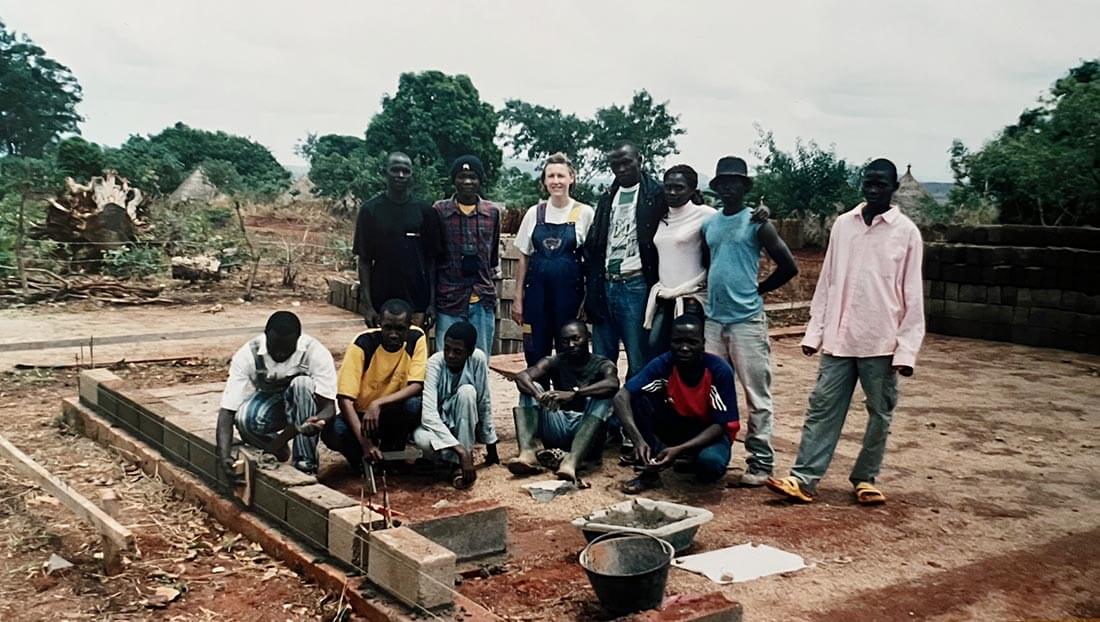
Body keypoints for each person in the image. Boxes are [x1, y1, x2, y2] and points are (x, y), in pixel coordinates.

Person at [766, 158, 925, 506]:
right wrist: (814, 333)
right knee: (822, 408)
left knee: (879, 413)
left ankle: (865, 478)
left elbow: (912, 294)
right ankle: (804, 479)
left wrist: (906, 350)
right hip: (839, 340)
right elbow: (828, 281)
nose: (874, 189)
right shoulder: (843, 225)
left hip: (880, 340)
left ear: (894, 188)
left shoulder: (906, 233)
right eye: (869, 182)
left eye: (881, 184)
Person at [703, 156, 799, 487]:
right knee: (714, 392)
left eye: (735, 183)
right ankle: (713, 455)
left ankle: (760, 462)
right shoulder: (711, 224)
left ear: (744, 187)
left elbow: (788, 266)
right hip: (714, 320)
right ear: (717, 188)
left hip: (746, 320)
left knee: (756, 394)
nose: (728, 188)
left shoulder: (758, 223)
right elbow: (712, 262)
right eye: (723, 183)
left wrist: (759, 290)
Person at [614, 314, 739, 493]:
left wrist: (679, 450)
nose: (684, 348)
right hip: (678, 425)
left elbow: (721, 425)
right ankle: (649, 473)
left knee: (710, 465)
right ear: (670, 342)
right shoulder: (664, 363)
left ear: (703, 344)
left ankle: (689, 457)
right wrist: (638, 440)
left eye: (692, 342)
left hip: (709, 432)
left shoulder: (718, 370)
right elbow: (621, 397)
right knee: (639, 399)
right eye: (678, 342)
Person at [216, 311, 338, 478]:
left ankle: (305, 461)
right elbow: (227, 410)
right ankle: (277, 449)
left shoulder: (315, 353)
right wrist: (224, 456)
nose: (280, 353)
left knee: (302, 384)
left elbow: (329, 407)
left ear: (298, 339)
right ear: (265, 336)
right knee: (244, 419)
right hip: (272, 405)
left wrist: (318, 420)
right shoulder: (248, 354)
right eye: (275, 347)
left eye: (286, 348)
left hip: (304, 407)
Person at [583, 142, 663, 381]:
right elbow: (594, 243)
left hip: (635, 285)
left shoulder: (656, 195)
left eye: (626, 162)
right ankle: (602, 404)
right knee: (601, 360)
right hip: (605, 284)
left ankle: (635, 405)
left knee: (638, 357)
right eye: (615, 164)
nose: (621, 169)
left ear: (640, 159)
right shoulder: (608, 197)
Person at [508, 321, 620, 482]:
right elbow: (521, 377)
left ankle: (572, 461)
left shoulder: (603, 364)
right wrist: (538, 395)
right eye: (565, 341)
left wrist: (575, 394)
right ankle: (528, 451)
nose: (571, 345)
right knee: (531, 388)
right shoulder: (555, 360)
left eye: (576, 339)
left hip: (587, 426)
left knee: (604, 398)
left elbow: (613, 384)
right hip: (559, 423)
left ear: (588, 338)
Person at [322, 299, 427, 470]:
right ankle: (362, 458)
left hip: (391, 411)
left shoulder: (417, 338)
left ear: (410, 326)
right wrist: (366, 444)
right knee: (333, 431)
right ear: (379, 323)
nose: (393, 334)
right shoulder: (363, 343)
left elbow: (416, 385)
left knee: (415, 404)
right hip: (362, 416)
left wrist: (377, 404)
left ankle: (392, 452)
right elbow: (344, 399)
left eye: (400, 329)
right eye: (388, 328)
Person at [511, 153, 595, 366]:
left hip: (570, 298)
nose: (556, 181)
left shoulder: (584, 213)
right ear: (544, 181)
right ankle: (535, 388)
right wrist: (518, 299)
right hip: (536, 298)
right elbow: (524, 258)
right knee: (535, 352)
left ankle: (565, 388)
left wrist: (588, 299)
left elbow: (592, 261)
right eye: (551, 176)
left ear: (571, 178)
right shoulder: (534, 213)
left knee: (569, 353)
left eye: (561, 175)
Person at [353, 152, 444, 328]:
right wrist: (368, 306)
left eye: (405, 171)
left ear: (411, 174)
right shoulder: (370, 210)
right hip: (381, 305)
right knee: (382, 346)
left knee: (416, 345)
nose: (400, 175)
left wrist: (432, 304)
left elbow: (432, 262)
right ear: (385, 172)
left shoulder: (425, 211)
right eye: (395, 170)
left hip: (417, 302)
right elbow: (364, 261)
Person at [411, 321, 500, 489]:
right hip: (438, 426)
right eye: (447, 349)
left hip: (464, 425)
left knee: (468, 392)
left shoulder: (478, 359)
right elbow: (429, 415)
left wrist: (491, 445)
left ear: (470, 352)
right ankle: (459, 458)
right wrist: (461, 451)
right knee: (423, 441)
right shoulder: (434, 363)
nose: (450, 355)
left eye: (457, 351)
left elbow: (484, 401)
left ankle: (457, 466)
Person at [433, 155, 503, 355]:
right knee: (446, 358)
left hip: (481, 298)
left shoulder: (492, 212)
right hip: (449, 298)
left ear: (480, 181)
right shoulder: (440, 211)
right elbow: (434, 256)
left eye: (473, 177)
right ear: (454, 180)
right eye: (462, 177)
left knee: (480, 358)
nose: (467, 182)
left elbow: (492, 256)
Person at [644, 165, 715, 355]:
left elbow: (732, 222)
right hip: (664, 298)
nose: (672, 192)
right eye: (668, 187)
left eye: (679, 188)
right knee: (655, 351)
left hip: (691, 300)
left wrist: (760, 212)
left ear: (692, 190)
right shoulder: (661, 216)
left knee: (689, 356)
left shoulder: (705, 215)